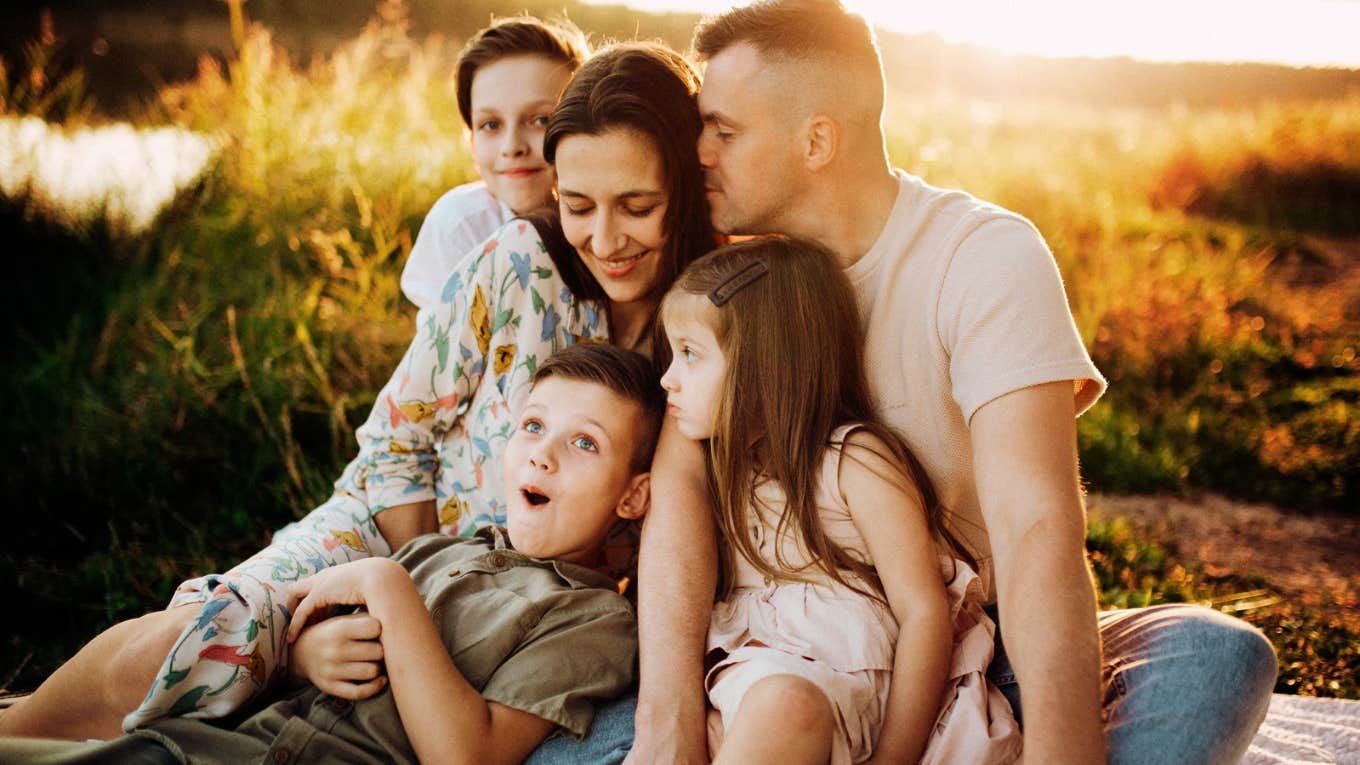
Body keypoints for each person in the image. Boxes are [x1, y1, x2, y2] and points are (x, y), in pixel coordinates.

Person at [0, 41, 713, 752]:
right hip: (397, 545)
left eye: (637, 206)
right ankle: (17, 725)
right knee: (213, 638)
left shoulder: (704, 325)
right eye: (578, 205)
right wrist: (399, 596)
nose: (604, 238)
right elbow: (397, 441)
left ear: (685, 186)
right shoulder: (518, 265)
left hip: (523, 614)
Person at [629, 1, 1279, 763]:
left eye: (724, 131)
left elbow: (1035, 523)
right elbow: (679, 488)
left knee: (1217, 657)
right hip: (774, 665)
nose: (699, 152)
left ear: (817, 140)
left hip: (964, 651)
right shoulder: (736, 281)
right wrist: (668, 721)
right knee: (602, 722)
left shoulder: (982, 258)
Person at [0, 343, 661, 765]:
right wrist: (307, 654)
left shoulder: (592, 618)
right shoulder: (445, 550)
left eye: (585, 443)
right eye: (534, 425)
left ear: (633, 495)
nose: (543, 453)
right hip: (207, 743)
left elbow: (466, 755)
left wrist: (387, 587)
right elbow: (304, 631)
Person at [658, 238, 1021, 765]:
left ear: (766, 367)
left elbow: (923, 612)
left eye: (690, 354)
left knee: (787, 707)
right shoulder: (720, 471)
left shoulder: (853, 461)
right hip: (752, 693)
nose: (668, 378)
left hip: (852, 700)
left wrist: (894, 757)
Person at [400, 16, 587, 311]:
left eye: (541, 120)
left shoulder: (611, 222)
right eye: (491, 125)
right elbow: (446, 336)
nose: (512, 146)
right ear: (472, 143)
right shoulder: (460, 225)